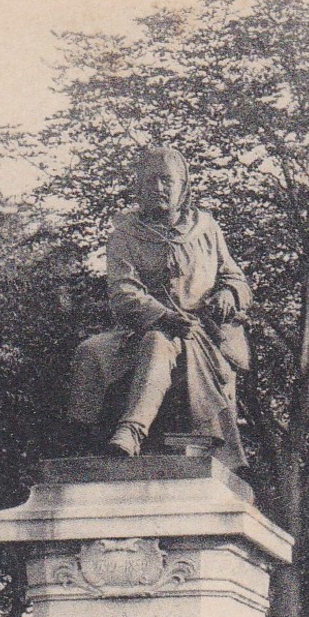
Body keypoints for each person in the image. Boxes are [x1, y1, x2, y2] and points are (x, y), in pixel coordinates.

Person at [64, 145, 253, 469]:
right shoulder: (124, 235)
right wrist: (162, 316)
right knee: (90, 352)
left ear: (183, 186)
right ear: (139, 187)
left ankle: (131, 432)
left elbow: (237, 279)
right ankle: (81, 440)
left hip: (200, 331)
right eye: (150, 181)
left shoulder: (207, 230)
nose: (158, 188)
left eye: (167, 180)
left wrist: (229, 294)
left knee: (160, 342)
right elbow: (122, 291)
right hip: (141, 328)